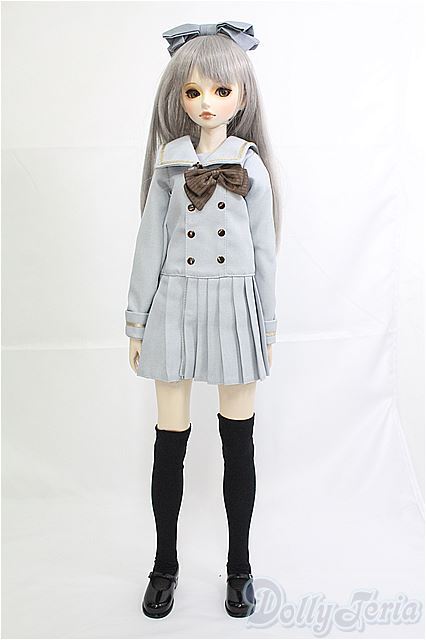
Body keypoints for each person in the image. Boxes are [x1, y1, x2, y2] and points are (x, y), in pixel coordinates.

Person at [124, 21, 282, 618]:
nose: (207, 103)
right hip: (174, 302)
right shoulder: (169, 166)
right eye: (193, 91)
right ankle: (164, 564)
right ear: (179, 97)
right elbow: (148, 246)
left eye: (220, 91)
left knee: (238, 441)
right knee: (170, 441)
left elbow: (265, 252)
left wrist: (267, 325)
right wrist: (137, 321)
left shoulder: (251, 167)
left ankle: (240, 566)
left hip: (236, 307)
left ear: (242, 97)